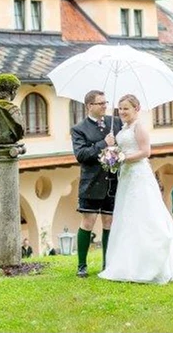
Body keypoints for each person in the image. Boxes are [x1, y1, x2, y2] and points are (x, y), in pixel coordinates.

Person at [99, 94, 173, 285]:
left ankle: (153, 263)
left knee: (144, 214)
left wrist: (122, 158)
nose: (122, 112)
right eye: (120, 108)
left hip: (139, 175)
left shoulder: (139, 127)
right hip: (126, 177)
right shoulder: (123, 128)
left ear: (136, 109)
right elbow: (121, 150)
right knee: (127, 216)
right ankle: (127, 264)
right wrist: (111, 148)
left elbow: (146, 152)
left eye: (126, 108)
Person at [70, 89, 121, 278]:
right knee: (88, 222)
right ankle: (82, 265)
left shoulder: (115, 123)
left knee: (108, 222)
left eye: (106, 102)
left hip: (111, 181)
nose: (105, 106)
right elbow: (81, 155)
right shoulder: (79, 129)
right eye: (101, 103)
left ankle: (107, 264)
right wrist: (103, 143)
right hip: (91, 182)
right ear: (89, 106)